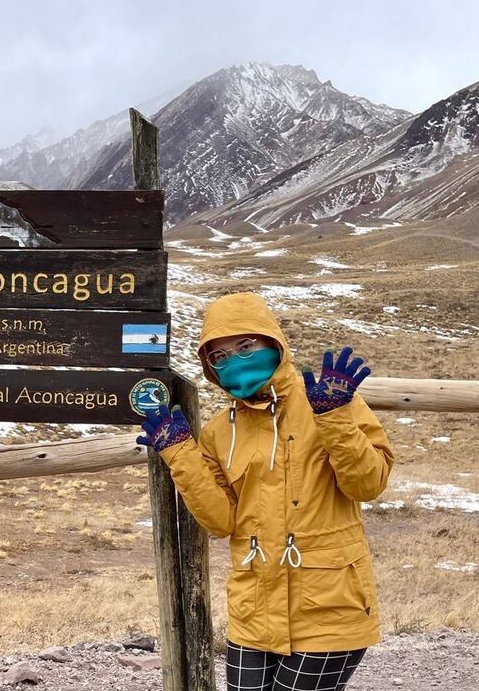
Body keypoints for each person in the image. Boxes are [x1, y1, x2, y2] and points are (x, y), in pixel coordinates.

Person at [139, 292, 393, 691]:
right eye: (219, 356)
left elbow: (367, 483)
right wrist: (180, 453)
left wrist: (334, 418)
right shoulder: (219, 431)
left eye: (245, 347)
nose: (234, 360)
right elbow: (221, 522)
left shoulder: (327, 401)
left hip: (329, 606)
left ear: (273, 343)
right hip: (254, 610)